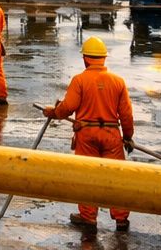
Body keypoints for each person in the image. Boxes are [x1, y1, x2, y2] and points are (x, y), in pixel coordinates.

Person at [43, 37, 135, 231]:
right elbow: (126, 114)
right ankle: (121, 219)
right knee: (116, 178)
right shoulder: (118, 81)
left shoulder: (80, 80)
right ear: (103, 59)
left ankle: (88, 217)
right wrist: (127, 136)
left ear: (85, 58)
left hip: (87, 134)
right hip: (111, 135)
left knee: (87, 176)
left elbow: (68, 107)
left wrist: (54, 112)